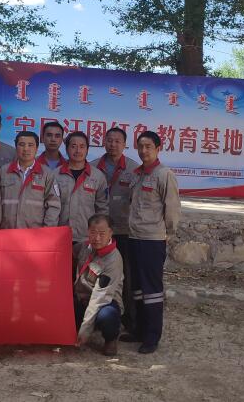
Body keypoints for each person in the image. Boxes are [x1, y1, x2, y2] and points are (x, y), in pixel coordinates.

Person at [120, 131, 182, 354]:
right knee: (136, 288)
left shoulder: (164, 175)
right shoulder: (136, 175)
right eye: (140, 146)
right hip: (134, 237)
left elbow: (172, 208)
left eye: (148, 146)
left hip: (152, 240)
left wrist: (167, 234)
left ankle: (152, 336)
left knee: (152, 290)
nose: (144, 151)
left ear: (158, 148)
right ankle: (138, 330)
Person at [91, 127, 138, 332]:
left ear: (125, 144)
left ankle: (127, 319)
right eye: (109, 140)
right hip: (99, 234)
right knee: (96, 275)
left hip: (123, 230)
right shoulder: (93, 167)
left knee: (126, 276)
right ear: (104, 142)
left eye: (118, 141)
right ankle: (96, 318)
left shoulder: (134, 169)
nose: (113, 144)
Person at [74, 214, 124, 357]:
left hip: (104, 302)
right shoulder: (84, 247)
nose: (97, 238)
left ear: (110, 233)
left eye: (102, 234)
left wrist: (84, 331)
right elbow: (66, 252)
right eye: (93, 233)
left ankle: (111, 338)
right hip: (82, 299)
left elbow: (99, 298)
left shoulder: (113, 259)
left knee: (107, 315)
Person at [55, 132, 109, 245]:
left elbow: (102, 209)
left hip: (87, 237)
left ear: (87, 150)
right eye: (73, 146)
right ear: (67, 149)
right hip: (60, 236)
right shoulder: (55, 175)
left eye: (82, 146)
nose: (78, 150)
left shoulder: (97, 176)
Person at [0, 131, 61, 229]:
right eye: (21, 145)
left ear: (37, 148)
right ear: (16, 147)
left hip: (34, 233)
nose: (26, 149)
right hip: (6, 231)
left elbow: (54, 205)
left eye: (30, 145)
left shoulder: (47, 174)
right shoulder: (3, 171)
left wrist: (46, 231)